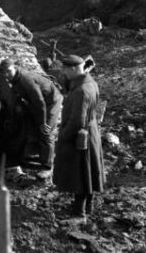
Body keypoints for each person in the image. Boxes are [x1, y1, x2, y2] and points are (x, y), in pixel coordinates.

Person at [53, 55, 106, 222]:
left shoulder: (80, 91)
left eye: (66, 69)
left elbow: (77, 121)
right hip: (91, 133)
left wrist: (62, 136)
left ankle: (79, 213)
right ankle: (87, 207)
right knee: (88, 172)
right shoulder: (92, 83)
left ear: (75, 69)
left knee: (80, 174)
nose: (64, 72)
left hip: (80, 137)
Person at [0, 59, 63, 180]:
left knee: (46, 132)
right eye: (4, 72)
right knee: (30, 126)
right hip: (38, 102)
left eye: (9, 71)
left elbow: (40, 102)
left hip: (51, 101)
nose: (6, 74)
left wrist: (43, 122)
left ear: (15, 68)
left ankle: (48, 167)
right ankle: (32, 157)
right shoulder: (14, 79)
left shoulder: (25, 79)